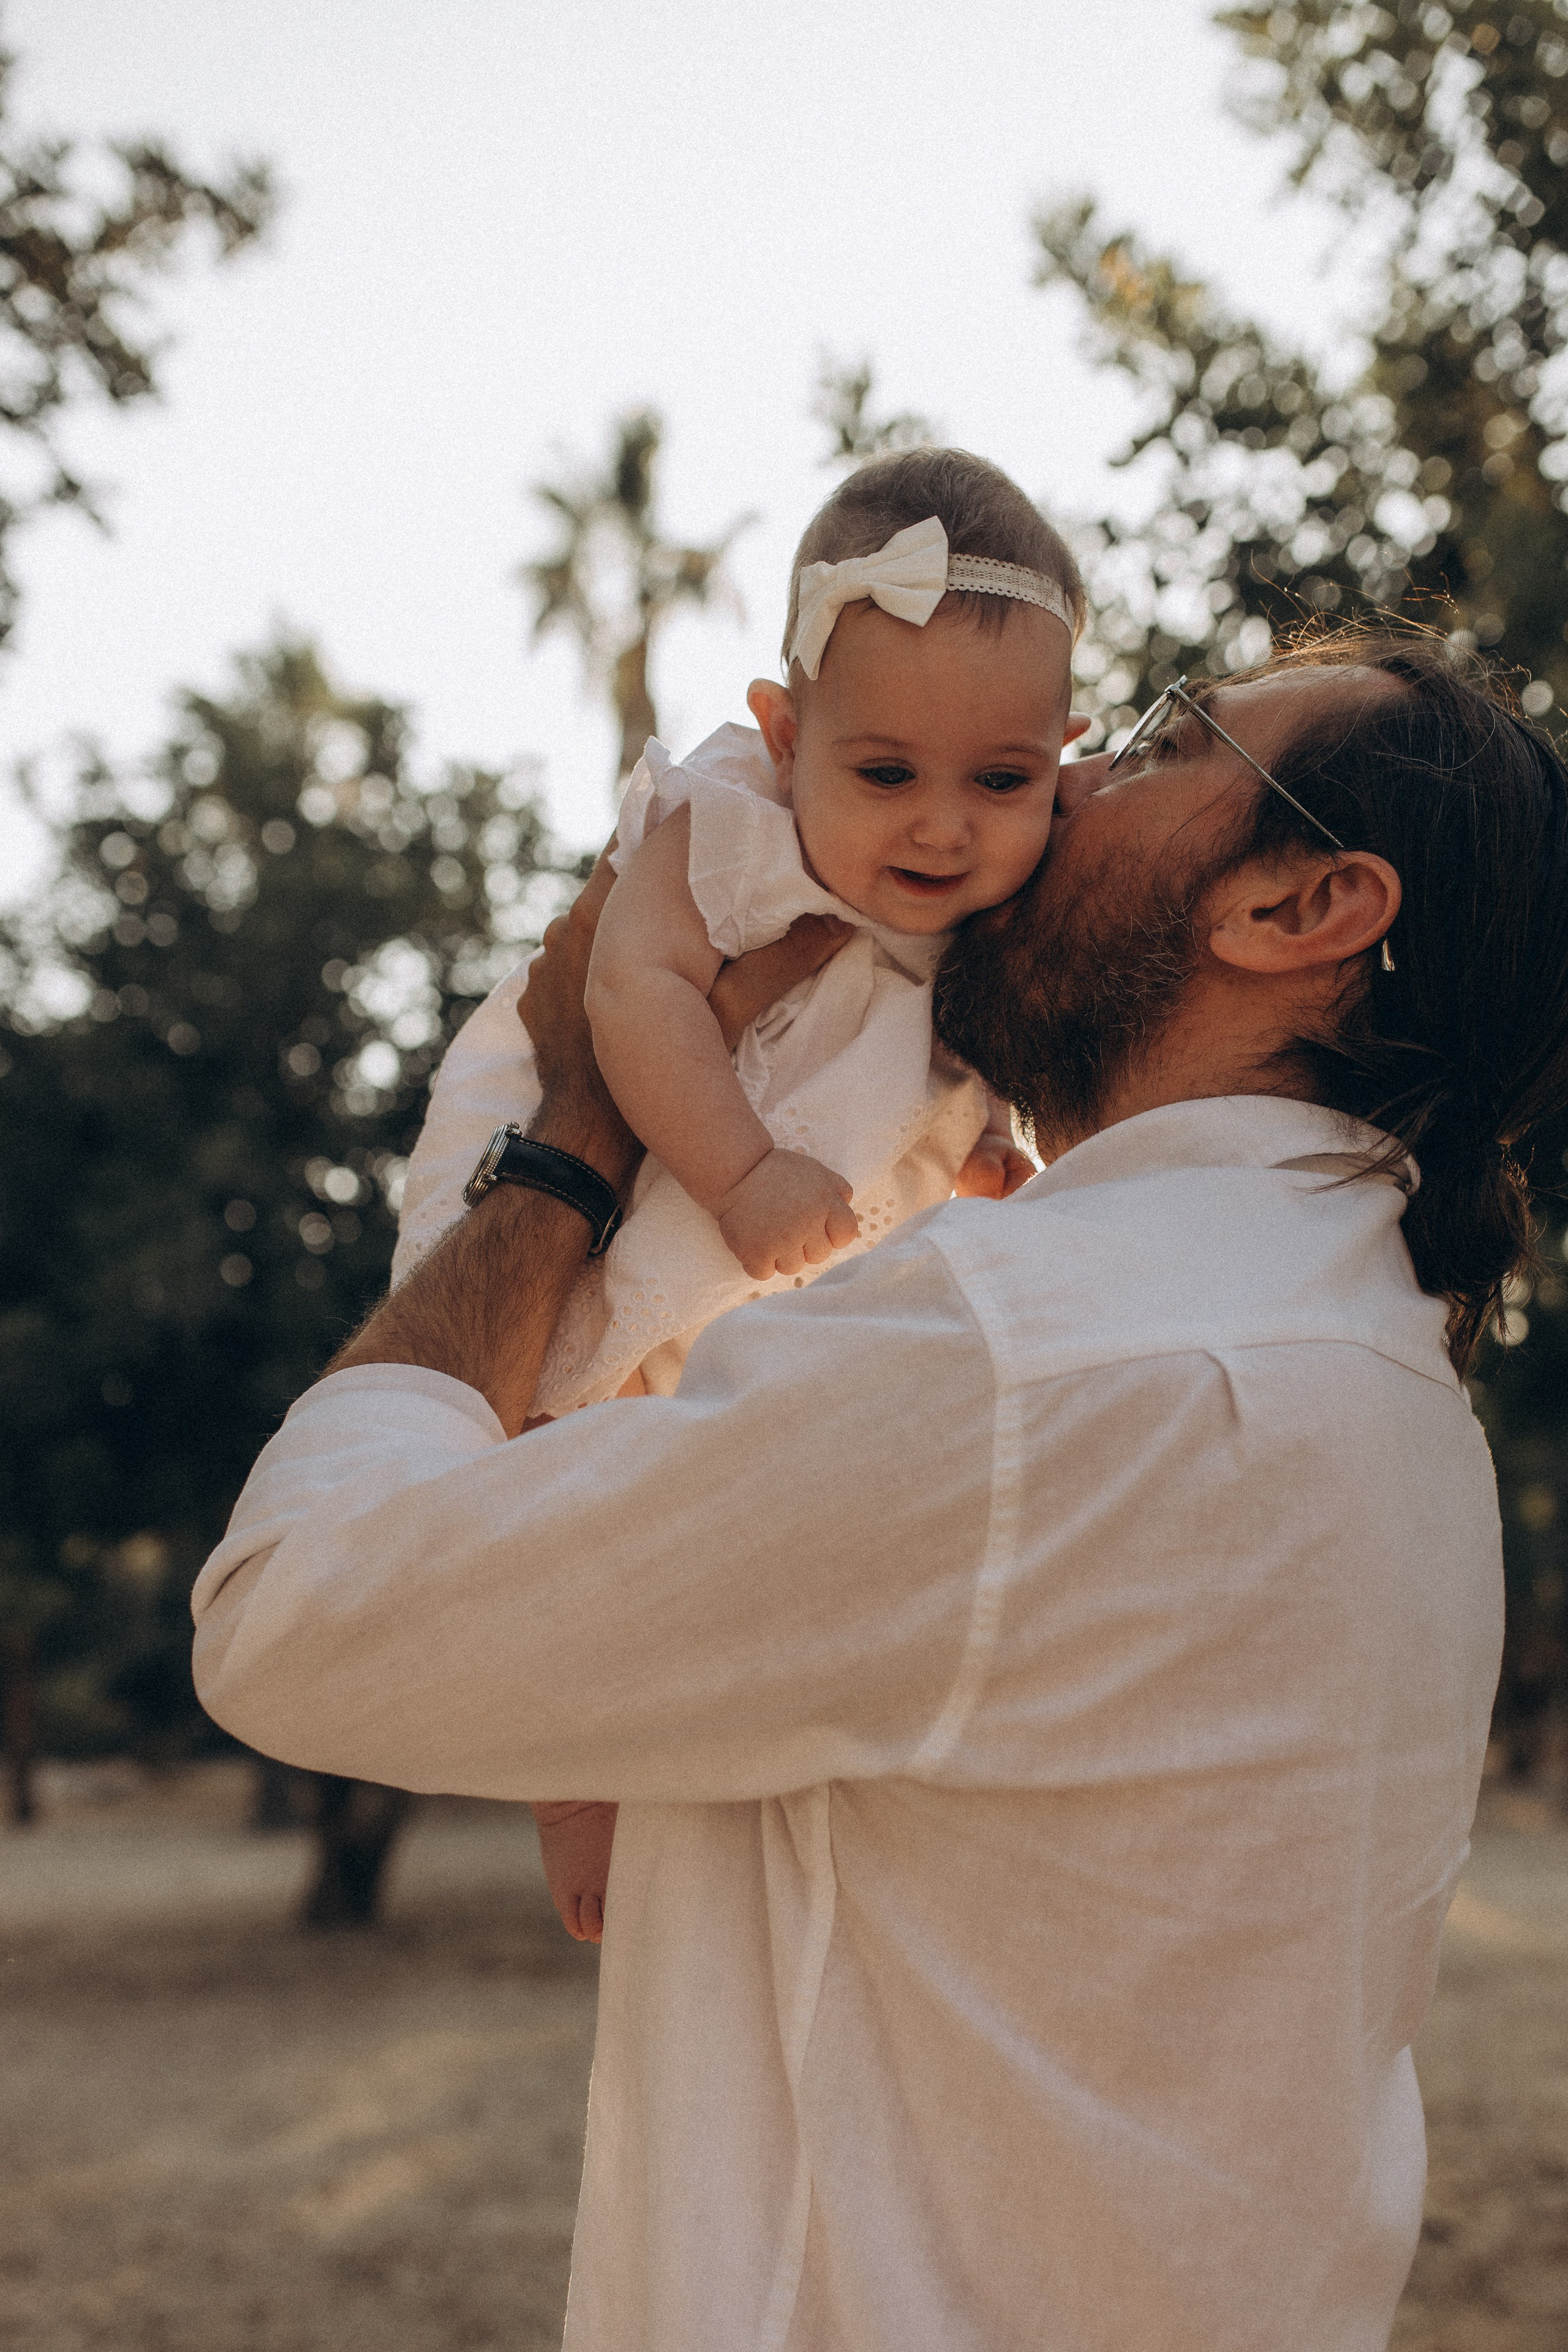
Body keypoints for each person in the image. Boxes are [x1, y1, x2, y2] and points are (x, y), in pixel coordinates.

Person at [192, 626, 1568, 2352]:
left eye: (1161, 743)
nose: (1061, 785)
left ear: (1302, 910)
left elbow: (292, 1615)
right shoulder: (1386, 1380)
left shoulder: (1024, 1355)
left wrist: (581, 1125)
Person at [395, 446, 1082, 1937]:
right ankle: (572, 1790)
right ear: (784, 735)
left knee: (696, 1501)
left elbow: (935, 1082)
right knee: (550, 1454)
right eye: (884, 773)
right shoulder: (729, 819)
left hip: (771, 1228)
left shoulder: (988, 913)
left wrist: (977, 1170)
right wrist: (740, 1168)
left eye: (1001, 782)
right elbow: (629, 996)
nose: (941, 826)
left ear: (1064, 757)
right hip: (643, 1140)